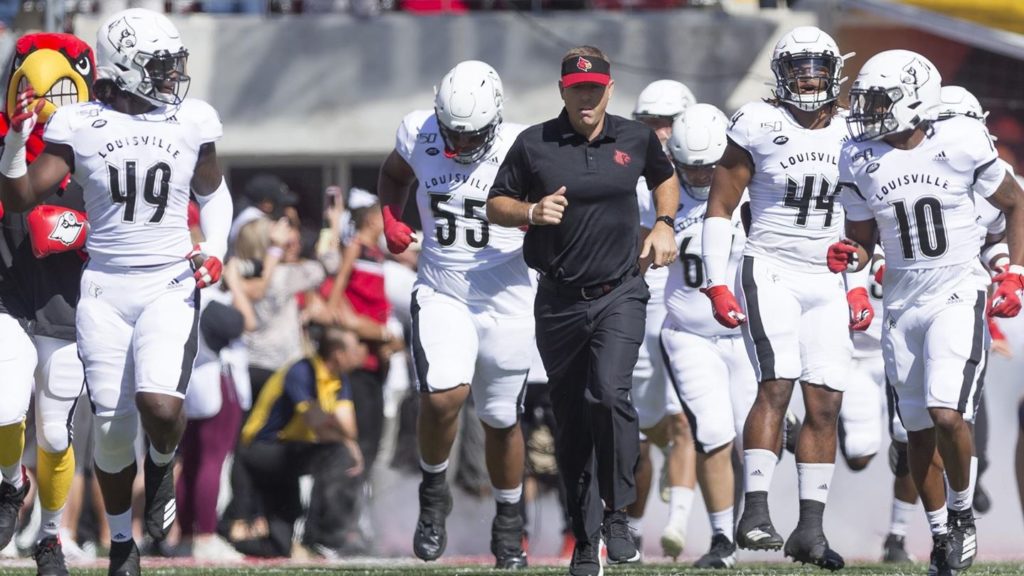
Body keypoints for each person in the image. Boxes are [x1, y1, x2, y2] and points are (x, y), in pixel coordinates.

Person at [0, 8, 233, 575]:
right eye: (160, 65)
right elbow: (23, 196)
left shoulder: (192, 120)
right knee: (109, 430)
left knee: (160, 407)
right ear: (125, 68)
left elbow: (216, 193)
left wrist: (217, 247)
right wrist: (15, 143)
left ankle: (161, 464)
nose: (173, 75)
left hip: (168, 282)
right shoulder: (81, 124)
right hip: (103, 288)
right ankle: (122, 546)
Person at [487, 46, 679, 576]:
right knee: (572, 425)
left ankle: (618, 514)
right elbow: (495, 203)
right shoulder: (534, 144)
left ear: (609, 89)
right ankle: (585, 535)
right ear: (563, 91)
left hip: (620, 292)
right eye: (577, 89)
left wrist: (665, 223)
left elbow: (664, 177)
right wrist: (530, 210)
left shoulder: (636, 137)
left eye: (595, 88)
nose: (586, 97)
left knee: (609, 394)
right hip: (558, 302)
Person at [833, 49, 1024, 575]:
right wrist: (852, 267)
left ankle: (962, 514)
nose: (867, 110)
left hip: (958, 291)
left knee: (947, 413)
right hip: (900, 300)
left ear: (915, 98)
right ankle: (940, 532)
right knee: (914, 429)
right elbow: (862, 242)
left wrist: (1014, 274)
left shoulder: (960, 141)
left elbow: (1014, 203)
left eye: (879, 99)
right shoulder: (857, 157)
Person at [700, 26, 853, 569]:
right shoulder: (758, 123)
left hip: (827, 278)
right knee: (776, 382)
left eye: (817, 69)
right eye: (798, 69)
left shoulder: (858, 129)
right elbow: (721, 206)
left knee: (826, 402)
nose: (808, 80)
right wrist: (717, 281)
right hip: (772, 268)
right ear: (781, 75)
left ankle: (809, 529)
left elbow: (864, 213)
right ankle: (756, 509)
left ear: (835, 72)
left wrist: (856, 264)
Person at [377, 59, 534, 569]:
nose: (461, 146)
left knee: (500, 419)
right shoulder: (417, 129)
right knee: (444, 396)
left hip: (507, 296)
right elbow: (393, 174)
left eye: (472, 137)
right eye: (453, 134)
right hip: (442, 290)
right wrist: (390, 218)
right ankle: (432, 490)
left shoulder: (524, 146)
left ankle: (509, 523)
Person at [0, 32, 97, 576]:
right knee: (3, 406)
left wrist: (81, 232)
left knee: (57, 432)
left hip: (67, 301)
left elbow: (130, 230)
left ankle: (52, 535)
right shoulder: (4, 140)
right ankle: (11, 483)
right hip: (8, 292)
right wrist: (15, 139)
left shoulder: (101, 146)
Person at [661, 103, 756, 569]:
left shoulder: (754, 194)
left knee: (755, 436)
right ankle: (722, 539)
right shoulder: (658, 193)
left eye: (708, 166)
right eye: (690, 167)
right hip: (689, 334)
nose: (699, 177)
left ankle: (759, 517)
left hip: (746, 337)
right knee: (714, 432)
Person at [628, 78, 695, 561]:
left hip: (691, 303)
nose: (658, 132)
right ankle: (631, 523)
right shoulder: (628, 172)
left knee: (684, 417)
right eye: (649, 123)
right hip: (643, 301)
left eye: (665, 122)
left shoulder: (708, 168)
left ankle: (681, 525)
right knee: (642, 423)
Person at [232, 326, 365, 558]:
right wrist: (342, 435)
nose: (362, 353)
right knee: (338, 453)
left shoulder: (339, 379)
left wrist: (341, 434)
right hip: (259, 451)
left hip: (290, 452)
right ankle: (323, 538)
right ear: (337, 353)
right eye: (356, 348)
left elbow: (350, 429)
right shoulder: (301, 370)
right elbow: (314, 420)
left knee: (279, 546)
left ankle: (233, 543)